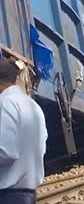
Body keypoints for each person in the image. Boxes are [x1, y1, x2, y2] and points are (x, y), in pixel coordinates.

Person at [0, 57, 48, 204]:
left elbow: (5, 151)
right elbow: (42, 147)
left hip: (8, 196)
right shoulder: (33, 105)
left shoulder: (5, 103)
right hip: (28, 194)